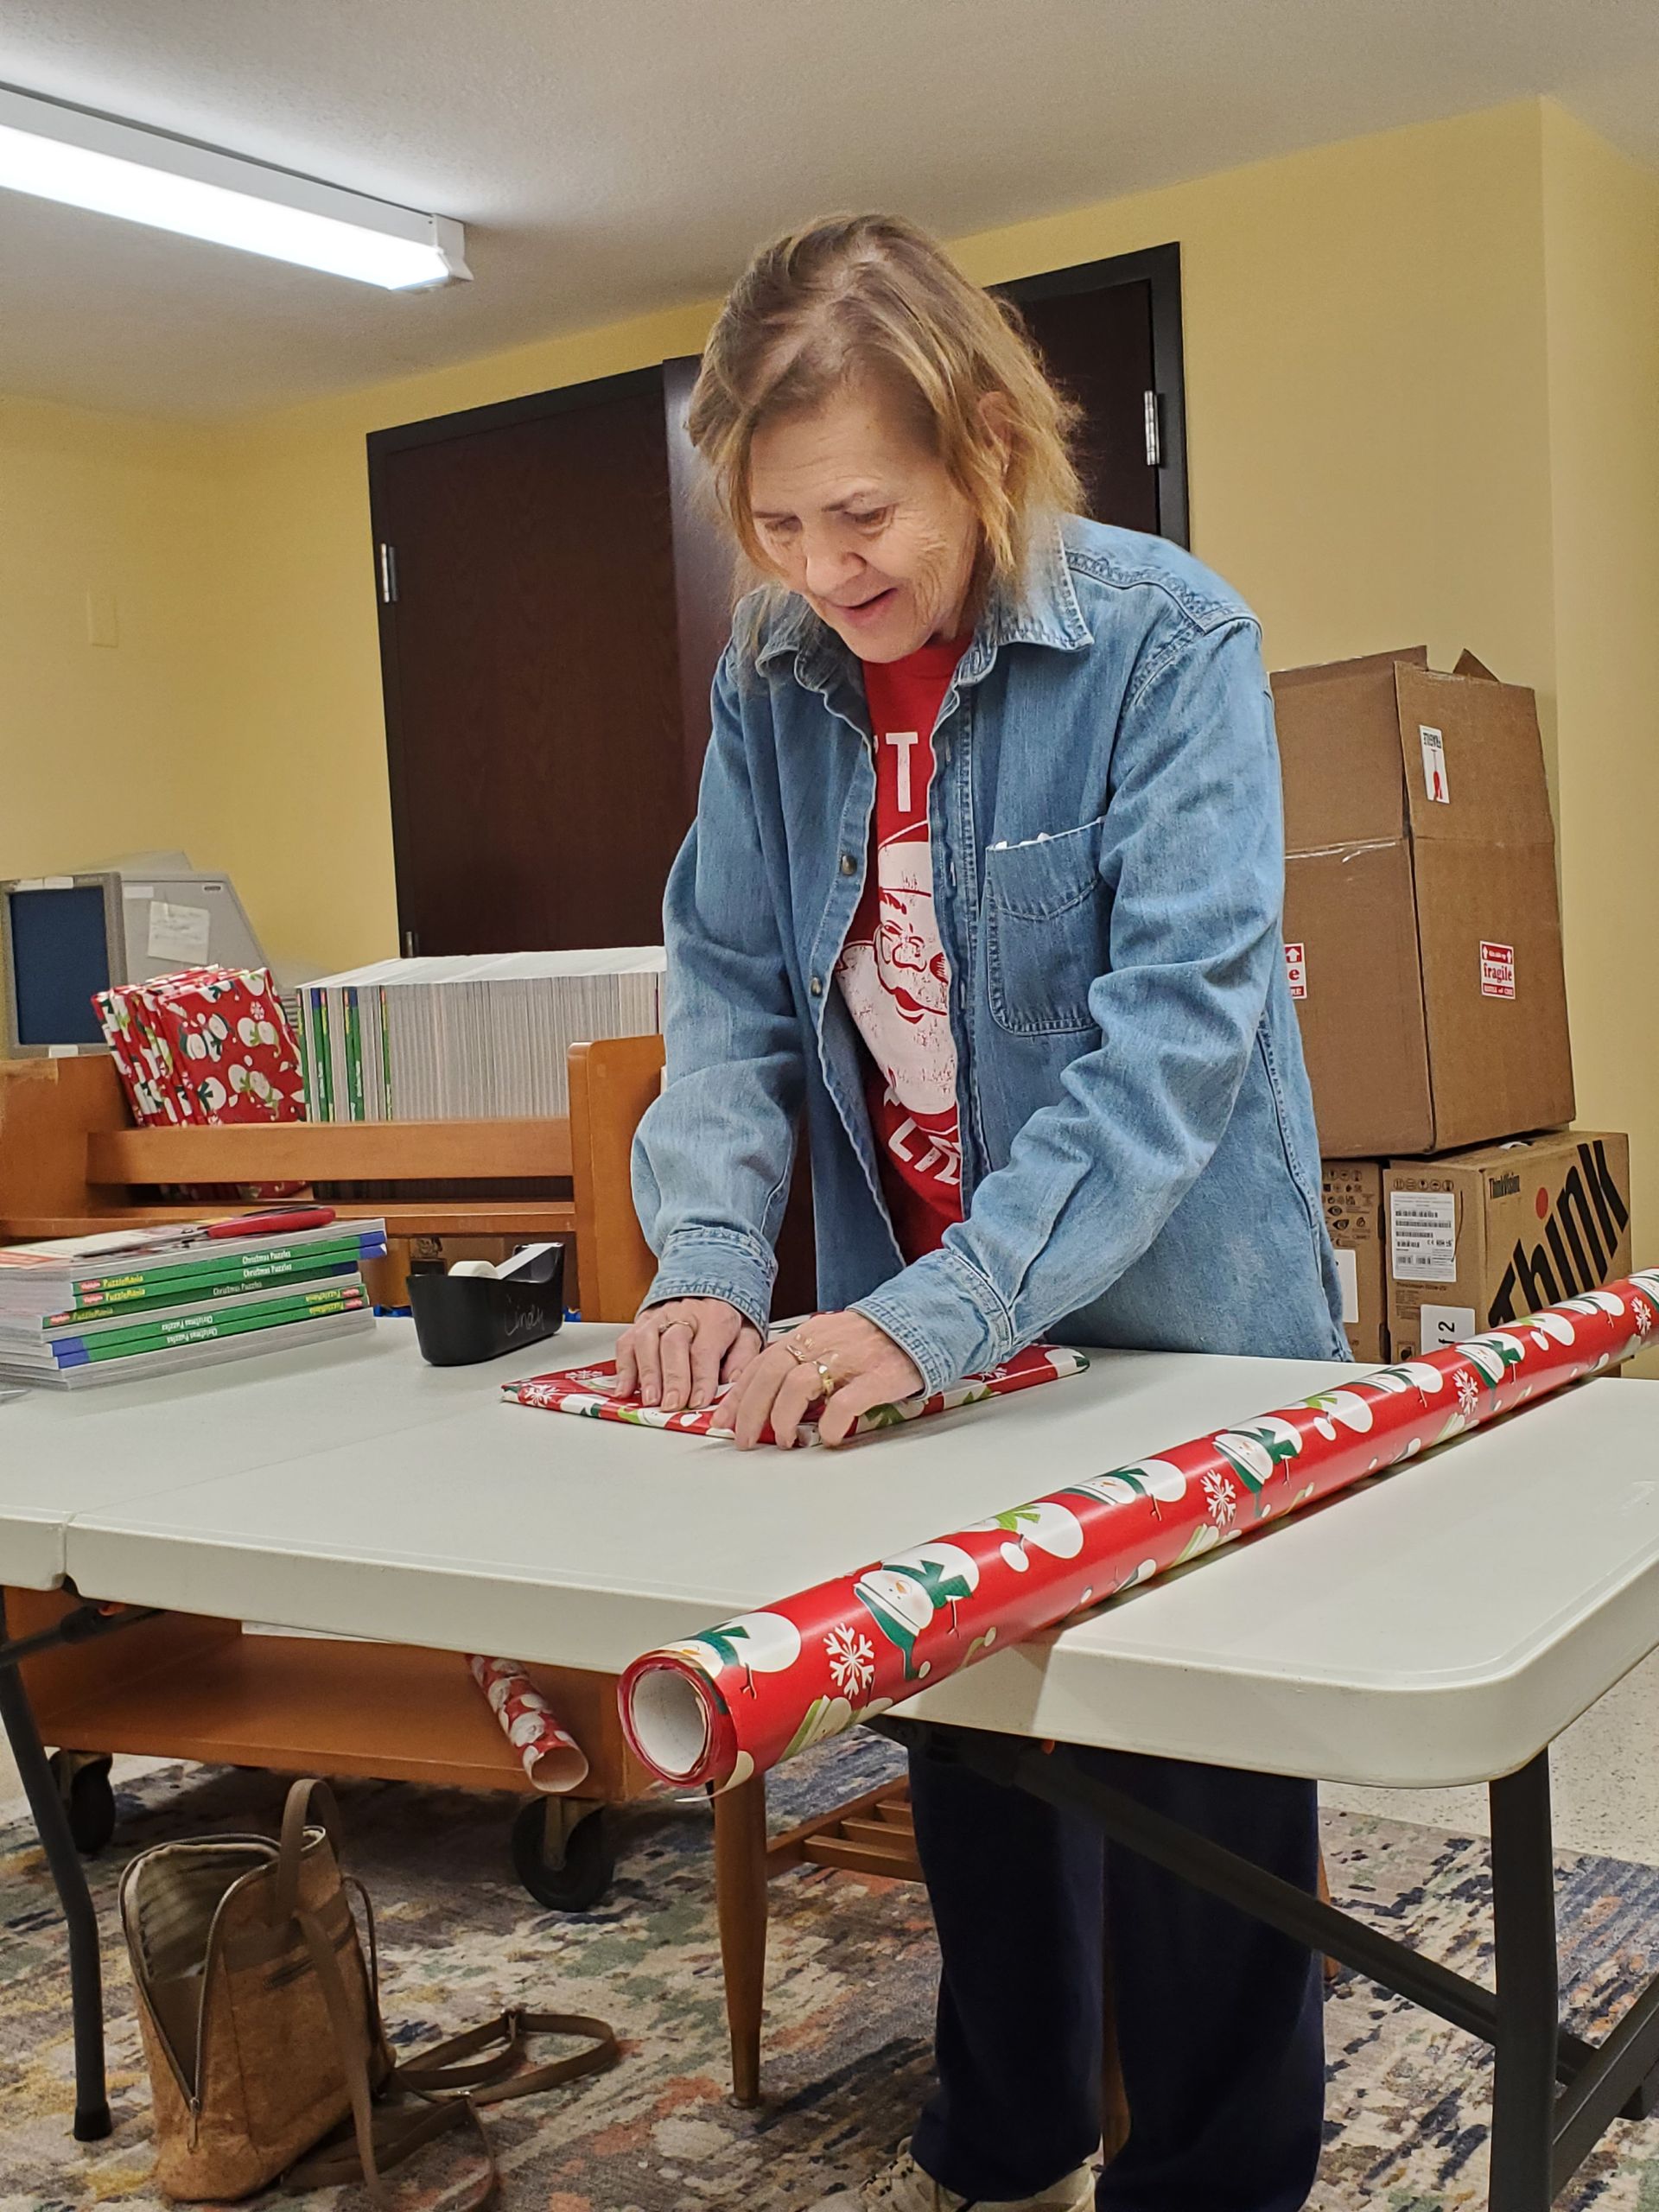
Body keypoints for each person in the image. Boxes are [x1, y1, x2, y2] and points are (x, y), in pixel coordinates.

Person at [613, 213, 1347, 2212]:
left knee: (1198, 1771)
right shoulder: (772, 678)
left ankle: (1213, 2174)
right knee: (975, 1740)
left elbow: (1173, 1044)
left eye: (865, 511)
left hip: (1179, 1314)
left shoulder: (1171, 642)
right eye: (776, 524)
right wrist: (701, 1258)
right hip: (918, 1322)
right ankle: (1006, 2134)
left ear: (988, 447)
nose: (826, 568)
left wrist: (939, 1311)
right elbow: (736, 989)